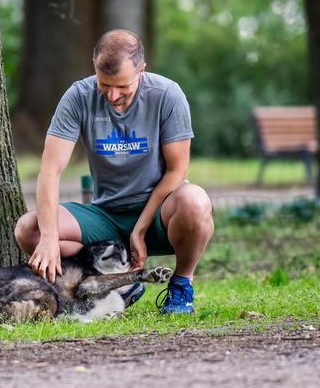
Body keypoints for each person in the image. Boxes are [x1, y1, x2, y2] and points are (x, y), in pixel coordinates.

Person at [14, 29, 214, 314]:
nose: (112, 95)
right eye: (104, 84)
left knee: (196, 203)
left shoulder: (168, 95)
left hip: (159, 212)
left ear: (142, 71)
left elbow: (177, 171)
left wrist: (141, 228)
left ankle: (181, 285)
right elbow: (50, 170)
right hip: (105, 215)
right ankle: (120, 284)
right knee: (29, 230)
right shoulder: (78, 97)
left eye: (122, 87)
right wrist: (48, 238)